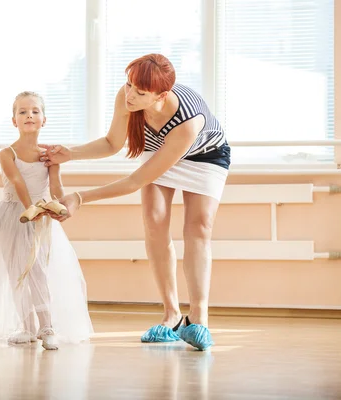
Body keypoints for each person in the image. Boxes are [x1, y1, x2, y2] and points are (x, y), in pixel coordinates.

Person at [40, 54, 230, 351]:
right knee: (154, 221)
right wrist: (71, 154)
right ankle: (171, 314)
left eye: (140, 93)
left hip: (205, 154)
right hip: (158, 146)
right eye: (128, 85)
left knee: (198, 228)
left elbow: (134, 181)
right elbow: (113, 143)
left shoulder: (188, 122)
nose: (130, 94)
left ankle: (198, 317)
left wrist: (80, 198)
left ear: (162, 95)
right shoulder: (129, 95)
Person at [0, 91, 93, 350]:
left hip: (40, 216)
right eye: (23, 112)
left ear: (44, 119)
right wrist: (31, 209)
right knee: (17, 271)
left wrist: (60, 207)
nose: (29, 115)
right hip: (13, 216)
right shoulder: (7, 154)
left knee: (37, 270)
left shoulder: (49, 156)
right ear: (14, 120)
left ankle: (47, 326)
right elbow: (17, 183)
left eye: (35, 111)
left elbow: (57, 187)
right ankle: (27, 327)